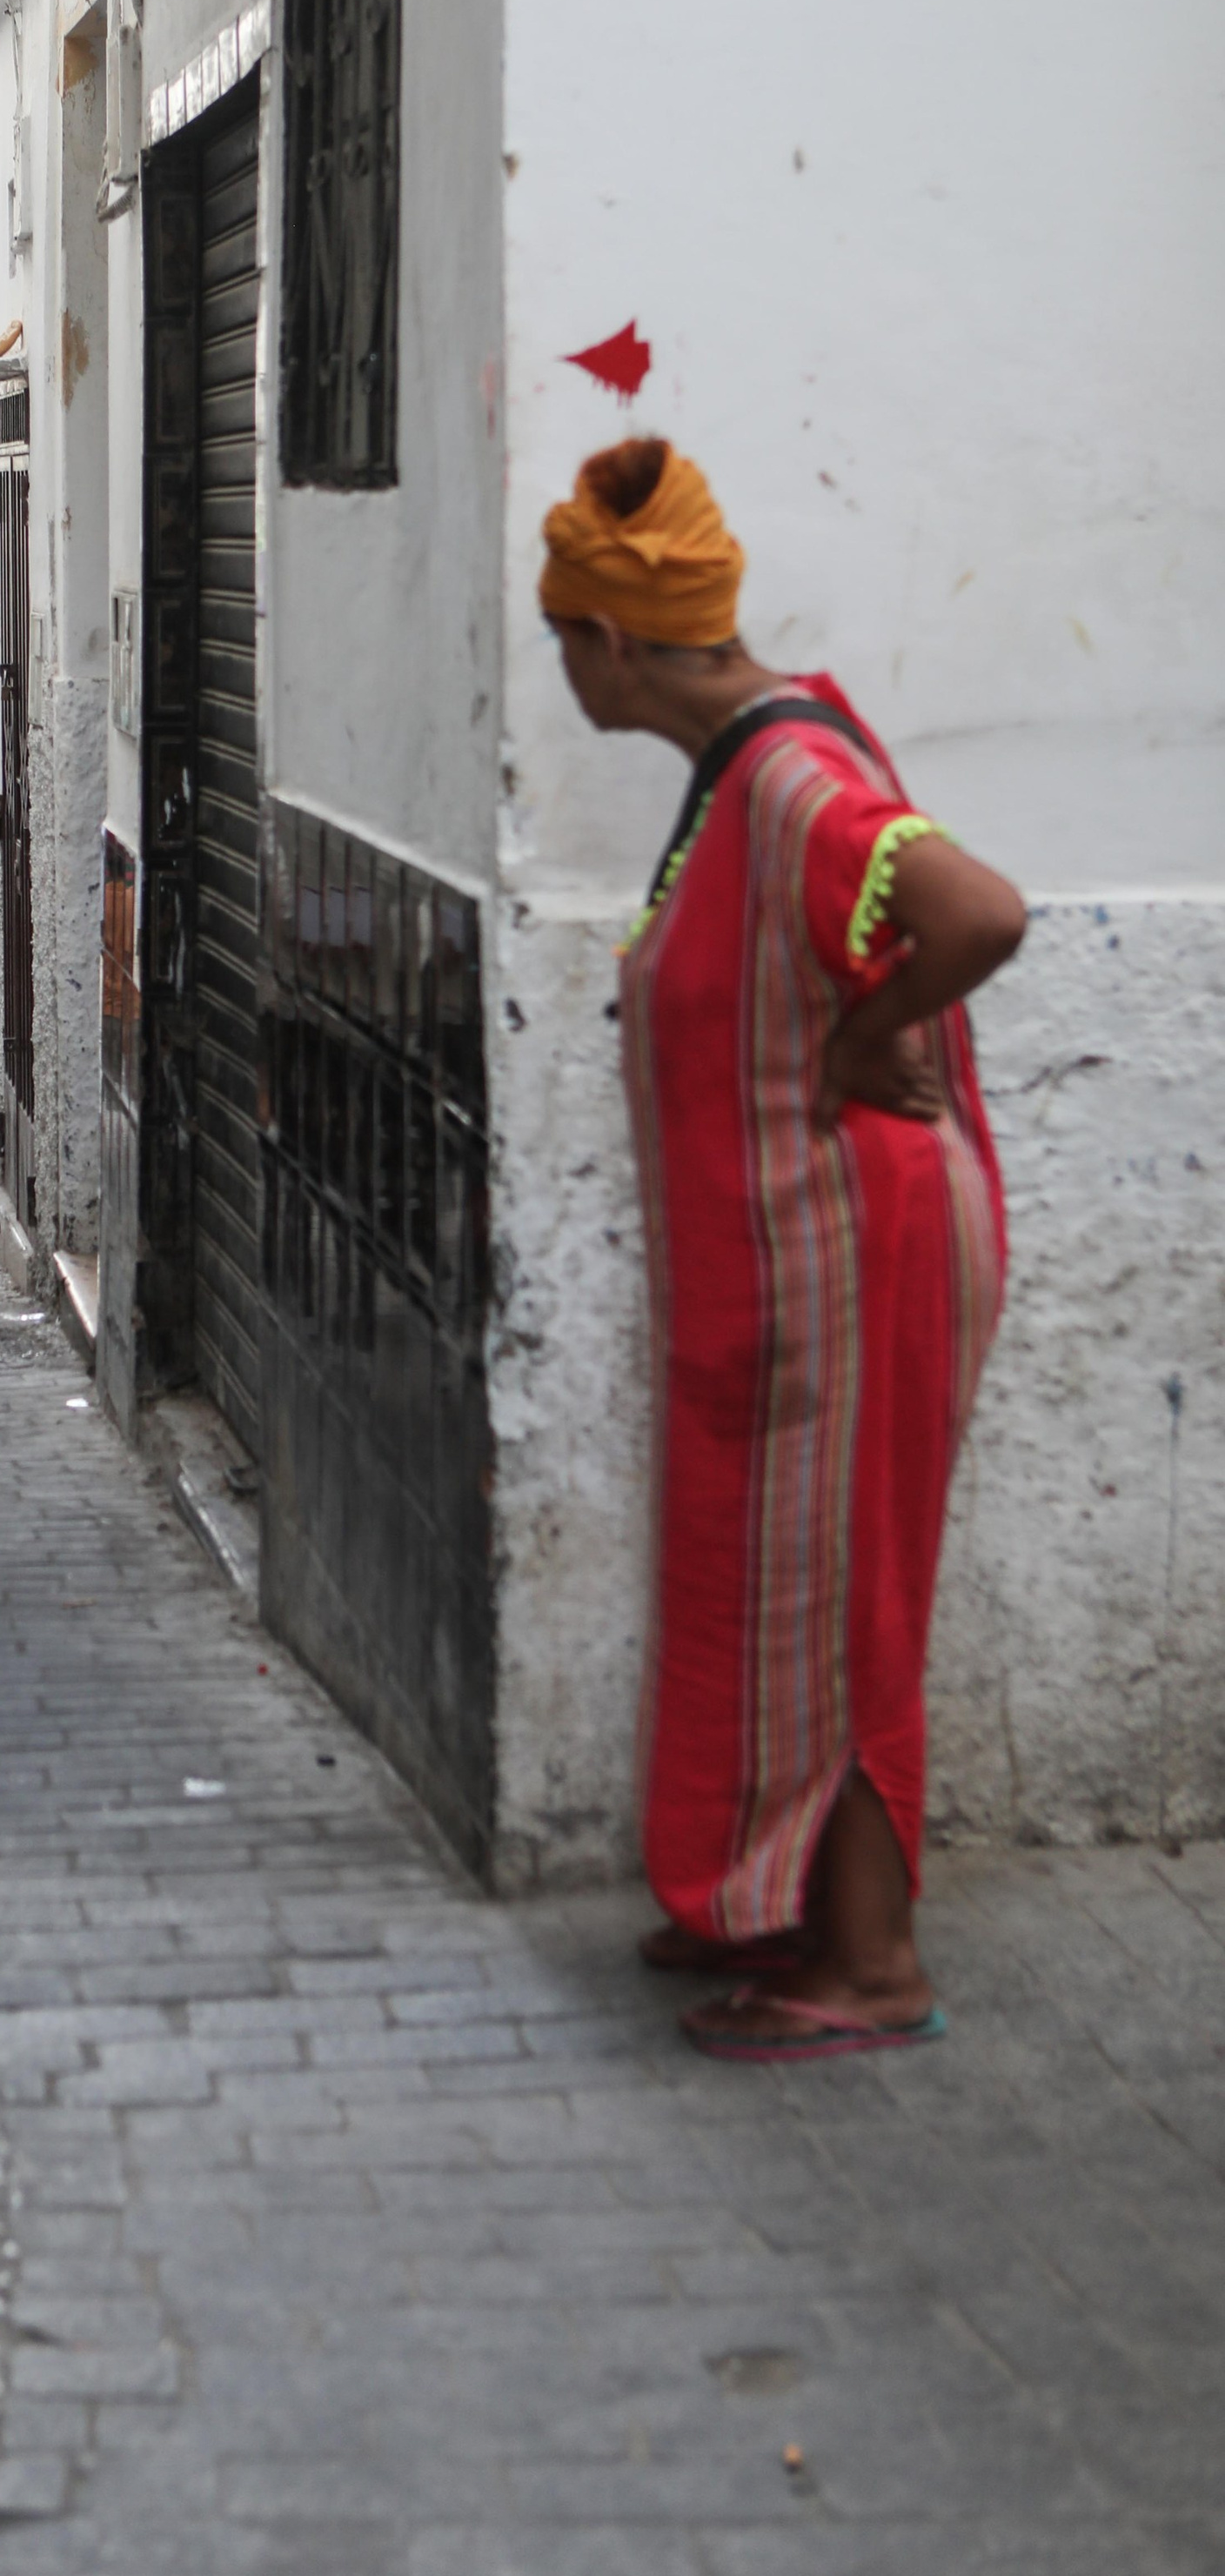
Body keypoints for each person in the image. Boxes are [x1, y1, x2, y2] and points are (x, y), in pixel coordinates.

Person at [540, 437, 1024, 2061]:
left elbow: (978, 914)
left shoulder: (794, 777)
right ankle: (784, 1904)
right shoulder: (741, 767)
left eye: (565, 641)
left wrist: (855, 1042)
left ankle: (870, 1968)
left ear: (610, 641)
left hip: (862, 1251)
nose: (567, 670)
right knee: (786, 1591)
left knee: (855, 1598)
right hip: (801, 1268)